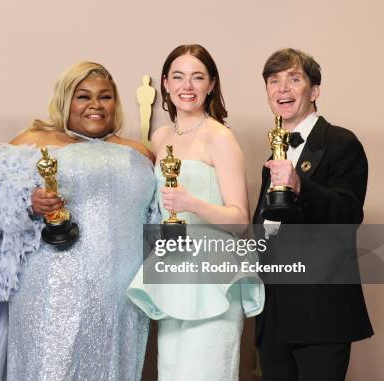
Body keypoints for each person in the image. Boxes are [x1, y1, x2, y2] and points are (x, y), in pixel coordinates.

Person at [0, 61, 157, 380]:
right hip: (50, 288)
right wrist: (29, 204)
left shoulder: (139, 153)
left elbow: (157, 217)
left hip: (121, 296)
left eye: (105, 96)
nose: (95, 104)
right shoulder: (35, 140)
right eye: (83, 96)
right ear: (66, 100)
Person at [126, 44, 264, 380]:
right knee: (172, 371)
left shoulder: (220, 138)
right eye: (178, 77)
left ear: (211, 84)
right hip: (173, 272)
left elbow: (240, 219)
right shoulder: (159, 138)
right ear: (166, 83)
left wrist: (192, 203)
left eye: (197, 77)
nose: (187, 86)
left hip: (213, 275)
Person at [253, 48, 373, 381]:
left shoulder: (340, 142)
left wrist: (299, 185)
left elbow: (349, 215)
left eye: (294, 79)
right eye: (274, 81)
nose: (282, 89)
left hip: (322, 314)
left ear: (315, 91)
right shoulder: (274, 153)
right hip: (274, 315)